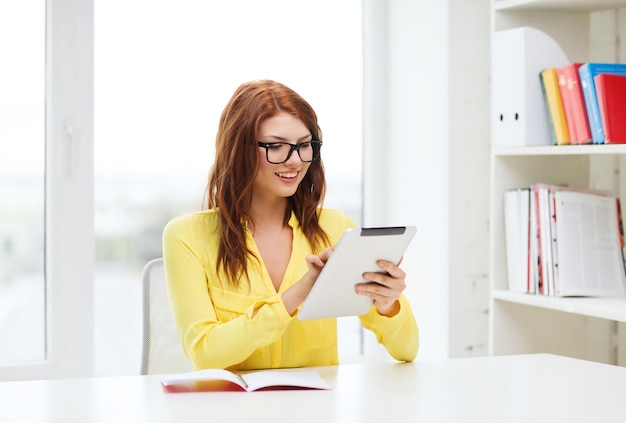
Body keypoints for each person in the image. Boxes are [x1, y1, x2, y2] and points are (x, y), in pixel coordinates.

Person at [162, 80, 418, 371]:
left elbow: (407, 350)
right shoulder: (187, 236)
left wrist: (388, 304)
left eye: (303, 145)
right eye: (276, 146)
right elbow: (204, 353)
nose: (295, 161)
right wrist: (296, 295)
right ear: (238, 148)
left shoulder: (336, 229)